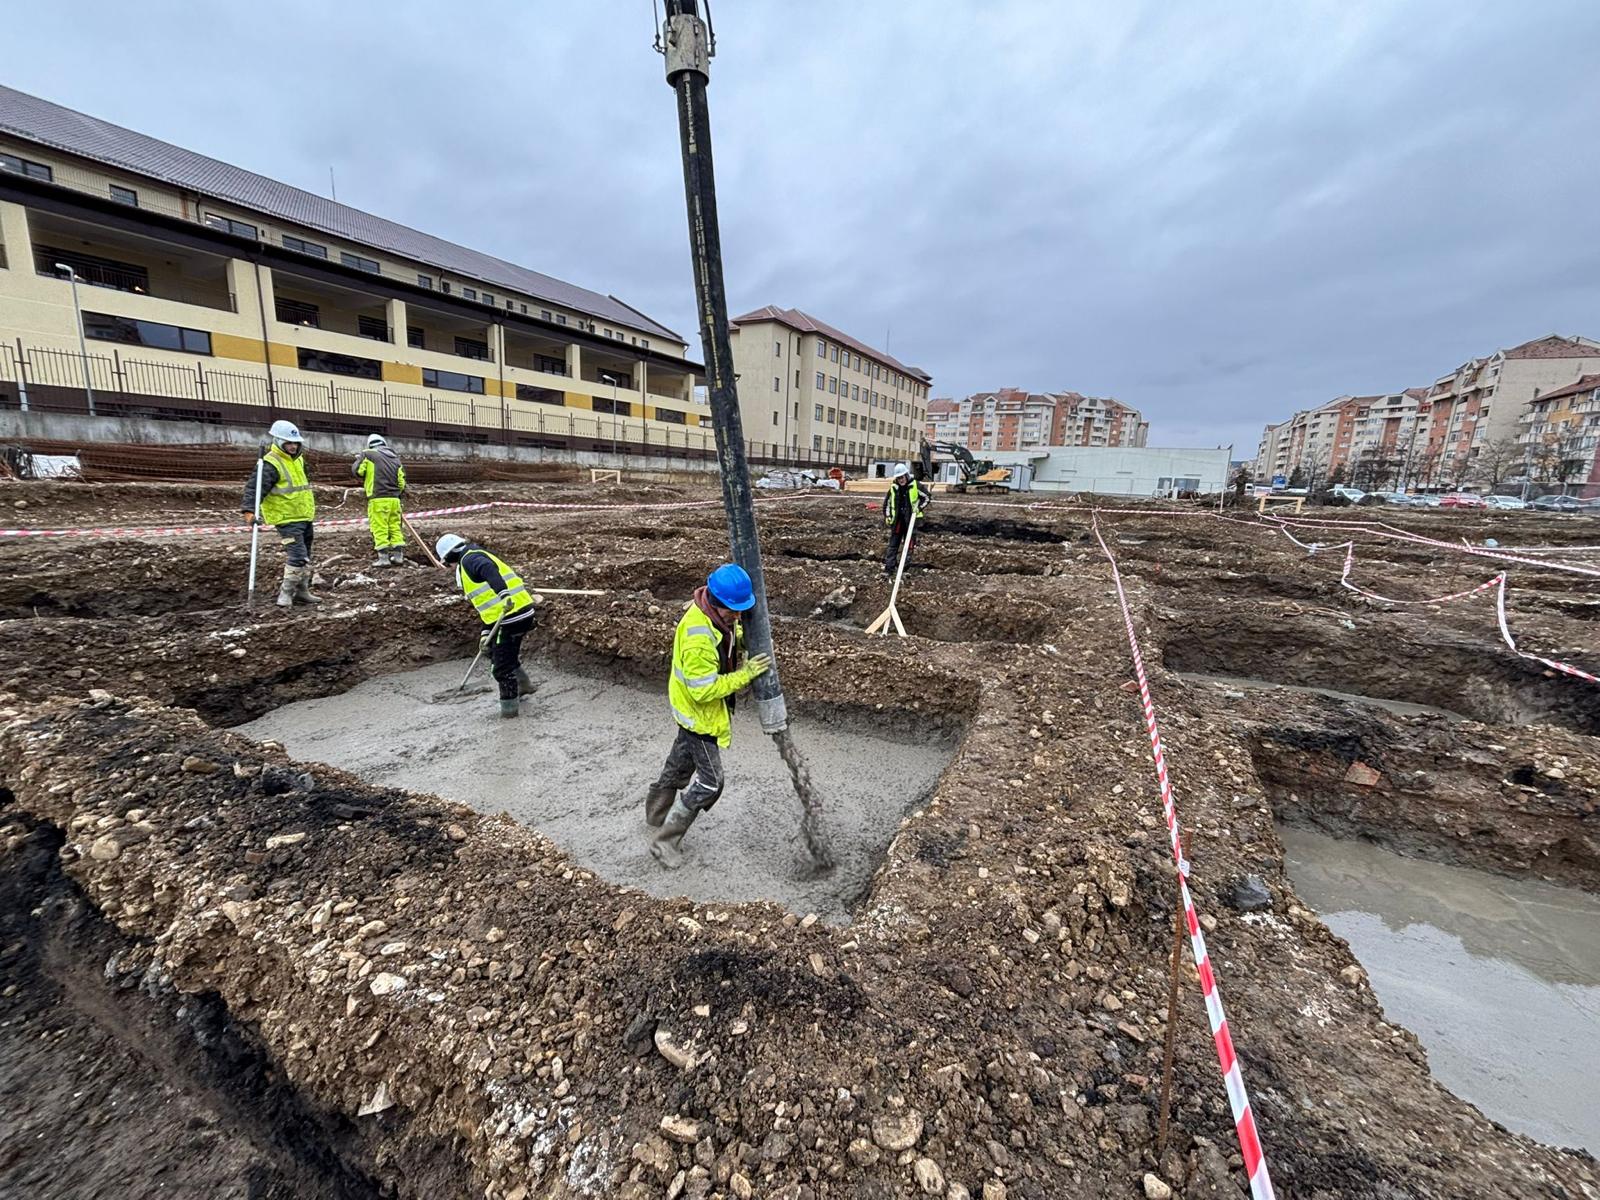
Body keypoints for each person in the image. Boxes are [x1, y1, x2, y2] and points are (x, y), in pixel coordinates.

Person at [645, 563, 771, 868]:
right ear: (716, 602)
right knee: (712, 782)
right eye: (734, 610)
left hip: (687, 710)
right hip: (699, 716)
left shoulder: (715, 617)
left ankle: (654, 815)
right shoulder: (697, 636)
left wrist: (741, 640)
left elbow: (726, 637)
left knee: (677, 768)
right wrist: (747, 674)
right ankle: (664, 842)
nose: (738, 616)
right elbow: (703, 690)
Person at [435, 533, 537, 718]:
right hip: (515, 615)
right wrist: (484, 633)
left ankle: (509, 713)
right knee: (495, 651)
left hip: (511, 617)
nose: (449, 567)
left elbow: (488, 570)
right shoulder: (472, 556)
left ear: (449, 555)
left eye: (446, 562)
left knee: (501, 669)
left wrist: (504, 595)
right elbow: (488, 608)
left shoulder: (471, 559)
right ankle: (523, 685)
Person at [241, 419, 320, 608]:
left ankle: (302, 591)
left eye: (295, 443)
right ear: (278, 441)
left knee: (306, 554)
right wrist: (249, 511)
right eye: (289, 443)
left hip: (304, 515)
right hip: (286, 518)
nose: (293, 446)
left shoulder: (298, 460)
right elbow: (255, 488)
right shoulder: (270, 463)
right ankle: (285, 593)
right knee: (298, 555)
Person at [353, 434, 408, 567]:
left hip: (378, 499)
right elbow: (401, 482)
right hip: (394, 500)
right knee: (395, 526)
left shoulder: (368, 454)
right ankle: (398, 556)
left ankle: (383, 558)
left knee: (379, 527)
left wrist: (358, 460)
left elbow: (358, 471)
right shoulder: (395, 458)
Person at [883, 462, 930, 575]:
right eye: (898, 478)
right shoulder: (894, 488)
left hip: (911, 522)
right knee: (893, 546)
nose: (901, 480)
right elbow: (887, 504)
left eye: (902, 477)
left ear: (906, 475)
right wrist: (888, 516)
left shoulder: (916, 485)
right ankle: (889, 568)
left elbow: (927, 498)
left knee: (908, 547)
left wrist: (918, 508)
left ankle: (904, 569)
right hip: (898, 522)